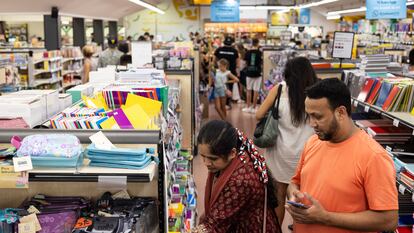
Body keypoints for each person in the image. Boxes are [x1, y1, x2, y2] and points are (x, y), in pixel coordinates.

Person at [286, 78, 398, 233]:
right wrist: (293, 195)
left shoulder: (374, 157)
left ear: (340, 112)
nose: (311, 123)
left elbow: (388, 220)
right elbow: (295, 182)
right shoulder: (312, 143)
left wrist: (325, 217)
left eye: (317, 116)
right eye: (309, 116)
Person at [256, 57, 317, 225]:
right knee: (301, 198)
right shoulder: (316, 92)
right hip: (307, 155)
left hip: (279, 153)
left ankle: (276, 229)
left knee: (279, 197)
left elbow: (258, 115)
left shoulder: (279, 89)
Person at [192, 120, 281, 233]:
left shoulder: (240, 180)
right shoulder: (239, 155)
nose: (206, 163)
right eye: (203, 156)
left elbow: (215, 225)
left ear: (232, 153)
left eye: (213, 158)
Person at [214, 36, 239, 109]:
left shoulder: (219, 50)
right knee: (228, 87)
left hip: (220, 72)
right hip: (230, 72)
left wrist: (217, 67)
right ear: (231, 43)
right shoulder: (234, 51)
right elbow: (237, 62)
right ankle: (227, 103)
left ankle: (220, 103)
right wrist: (237, 70)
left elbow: (214, 60)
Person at [242, 38, 263, 113]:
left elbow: (244, 63)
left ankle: (248, 107)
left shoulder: (247, 52)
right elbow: (262, 63)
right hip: (258, 73)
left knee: (248, 90)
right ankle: (254, 107)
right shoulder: (260, 53)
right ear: (258, 43)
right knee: (256, 91)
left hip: (249, 73)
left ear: (251, 43)